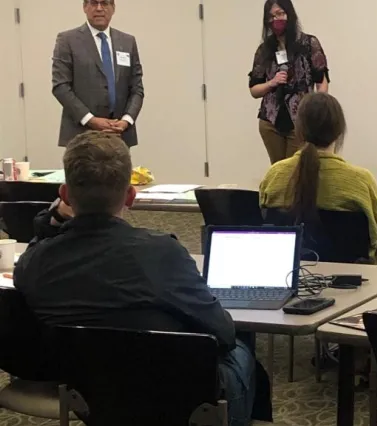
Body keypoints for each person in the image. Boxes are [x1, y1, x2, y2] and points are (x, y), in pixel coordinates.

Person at [13, 132, 260, 426]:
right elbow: (223, 331)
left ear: (65, 195)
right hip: (179, 399)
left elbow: (34, 254)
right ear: (131, 196)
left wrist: (52, 222)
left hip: (89, 397)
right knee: (241, 346)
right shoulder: (162, 252)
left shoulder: (35, 263)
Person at [259, 93, 377, 267]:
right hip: (353, 276)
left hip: (292, 273)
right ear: (339, 131)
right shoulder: (361, 180)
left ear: (298, 130)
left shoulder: (274, 175)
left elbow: (267, 225)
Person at [52, 0, 144, 148]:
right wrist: (91, 120)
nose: (99, 8)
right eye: (94, 3)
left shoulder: (127, 42)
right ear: (84, 7)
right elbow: (60, 87)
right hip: (82, 135)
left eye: (105, 3)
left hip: (120, 134)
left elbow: (137, 88)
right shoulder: (67, 40)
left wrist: (126, 120)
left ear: (113, 8)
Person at [249, 0, 329, 165]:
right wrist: (272, 82)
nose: (275, 20)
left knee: (296, 169)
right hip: (270, 121)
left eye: (279, 14)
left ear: (289, 14)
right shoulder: (264, 50)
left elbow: (321, 81)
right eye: (270, 16)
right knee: (278, 170)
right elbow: (254, 90)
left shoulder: (308, 44)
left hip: (300, 119)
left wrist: (317, 112)